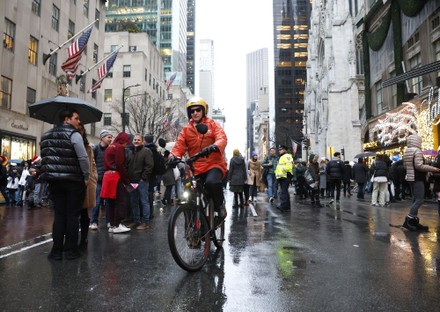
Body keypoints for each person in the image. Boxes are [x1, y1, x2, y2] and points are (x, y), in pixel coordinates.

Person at [40, 109, 89, 260]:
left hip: (54, 181)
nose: (79, 121)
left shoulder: (46, 135)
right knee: (72, 215)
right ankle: (70, 251)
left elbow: (45, 157)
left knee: (59, 215)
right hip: (73, 180)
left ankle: (56, 251)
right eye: (76, 118)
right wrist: (86, 175)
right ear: (67, 119)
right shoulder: (74, 135)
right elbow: (83, 157)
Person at [169, 96, 228, 220]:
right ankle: (193, 227)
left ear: (203, 111)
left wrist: (215, 146)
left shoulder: (212, 125)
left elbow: (221, 137)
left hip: (213, 164)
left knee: (212, 183)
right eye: (192, 111)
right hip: (194, 167)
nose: (195, 113)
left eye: (198, 110)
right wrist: (173, 157)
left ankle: (219, 206)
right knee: (188, 194)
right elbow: (178, 147)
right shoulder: (186, 130)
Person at [402, 134, 440, 231]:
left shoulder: (407, 151)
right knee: (420, 200)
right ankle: (409, 220)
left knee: (415, 199)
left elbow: (405, 166)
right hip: (418, 178)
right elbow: (419, 166)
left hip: (410, 178)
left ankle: (413, 221)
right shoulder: (417, 151)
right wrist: (433, 169)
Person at [101, 132, 132, 234]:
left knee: (111, 202)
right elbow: (120, 164)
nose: (126, 145)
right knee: (120, 201)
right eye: (126, 142)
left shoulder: (110, 147)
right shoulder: (119, 148)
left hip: (107, 176)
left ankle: (112, 224)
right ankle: (118, 224)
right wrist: (126, 180)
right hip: (115, 177)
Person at [77, 123, 98, 251]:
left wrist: (93, 177)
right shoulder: (70, 144)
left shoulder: (88, 146)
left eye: (81, 131)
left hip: (86, 183)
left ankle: (84, 240)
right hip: (73, 182)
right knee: (73, 214)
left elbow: (93, 163)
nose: (79, 133)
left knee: (84, 213)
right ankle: (71, 241)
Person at [127, 133, 154, 230]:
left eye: (138, 140)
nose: (136, 141)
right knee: (133, 202)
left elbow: (149, 166)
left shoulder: (146, 151)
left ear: (142, 141)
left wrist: (143, 178)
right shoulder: (130, 152)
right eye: (135, 139)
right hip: (131, 181)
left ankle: (145, 222)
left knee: (144, 202)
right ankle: (136, 221)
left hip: (142, 181)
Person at [89, 129, 113, 230]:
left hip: (107, 180)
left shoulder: (111, 149)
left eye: (111, 137)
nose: (110, 139)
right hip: (98, 179)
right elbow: (91, 162)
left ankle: (109, 221)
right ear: (102, 138)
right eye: (109, 137)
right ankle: (94, 222)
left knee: (108, 202)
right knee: (97, 202)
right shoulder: (95, 149)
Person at [144, 134, 166, 218]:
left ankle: (147, 214)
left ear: (145, 141)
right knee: (150, 194)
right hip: (153, 176)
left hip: (146, 176)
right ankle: (150, 212)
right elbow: (161, 166)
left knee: (145, 196)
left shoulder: (145, 151)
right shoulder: (157, 152)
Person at [275, 145, 293, 212]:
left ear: (285, 150)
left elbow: (288, 166)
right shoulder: (282, 157)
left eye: (281, 149)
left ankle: (283, 206)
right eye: (279, 149)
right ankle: (286, 207)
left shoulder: (286, 156)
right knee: (284, 191)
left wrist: (284, 172)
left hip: (285, 176)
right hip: (282, 176)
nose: (279, 151)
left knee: (283, 192)